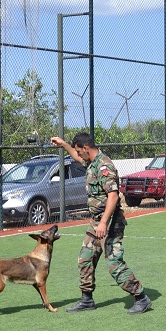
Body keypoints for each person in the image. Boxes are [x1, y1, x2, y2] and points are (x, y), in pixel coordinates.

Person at [48, 132, 152, 314]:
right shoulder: (91, 162)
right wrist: (64, 144)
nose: (78, 155)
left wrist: (104, 222)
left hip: (110, 222)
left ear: (86, 148)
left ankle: (141, 298)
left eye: (80, 152)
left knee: (114, 263)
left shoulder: (104, 166)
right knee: (85, 258)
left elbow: (113, 195)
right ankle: (87, 300)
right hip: (96, 222)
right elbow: (75, 156)